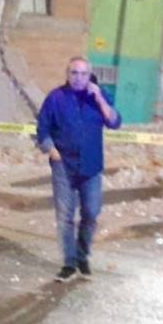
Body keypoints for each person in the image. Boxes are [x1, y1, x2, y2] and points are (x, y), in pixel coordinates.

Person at [36, 56, 120, 283]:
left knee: (91, 213)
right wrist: (52, 152)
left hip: (91, 166)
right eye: (74, 73)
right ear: (67, 74)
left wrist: (99, 98)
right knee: (65, 217)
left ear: (90, 75)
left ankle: (83, 257)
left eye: (83, 73)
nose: (78, 77)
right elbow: (42, 128)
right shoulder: (55, 98)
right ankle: (69, 264)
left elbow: (114, 122)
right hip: (64, 165)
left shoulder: (98, 98)